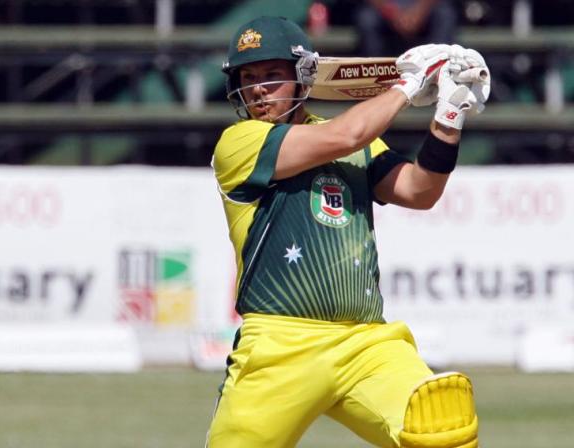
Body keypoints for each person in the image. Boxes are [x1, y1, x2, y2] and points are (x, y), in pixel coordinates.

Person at [207, 16, 489, 448]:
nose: (258, 89)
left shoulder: (357, 143)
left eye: (271, 76)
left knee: (442, 425)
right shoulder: (240, 142)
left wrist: (449, 116)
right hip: (280, 345)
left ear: (304, 76)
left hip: (365, 342)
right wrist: (407, 86)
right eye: (248, 78)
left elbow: (419, 190)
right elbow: (348, 133)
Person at [356, 0, 458, 56]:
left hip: (424, 7)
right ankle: (375, 73)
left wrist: (418, 12)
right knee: (367, 19)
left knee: (445, 14)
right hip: (387, 8)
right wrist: (393, 14)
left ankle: (439, 69)